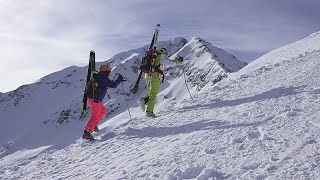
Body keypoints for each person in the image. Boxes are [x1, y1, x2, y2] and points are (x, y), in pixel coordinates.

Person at [82, 64, 125, 140]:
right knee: (94, 115)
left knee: (103, 111)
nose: (109, 73)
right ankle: (87, 132)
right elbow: (113, 85)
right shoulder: (103, 78)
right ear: (105, 71)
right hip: (95, 99)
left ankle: (93, 124)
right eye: (108, 72)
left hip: (92, 99)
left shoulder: (98, 76)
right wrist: (119, 79)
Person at [139, 48, 183, 117]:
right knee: (153, 94)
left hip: (147, 75)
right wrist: (178, 61)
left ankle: (144, 100)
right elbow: (169, 63)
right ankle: (149, 111)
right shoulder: (161, 56)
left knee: (152, 92)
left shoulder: (153, 56)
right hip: (154, 76)